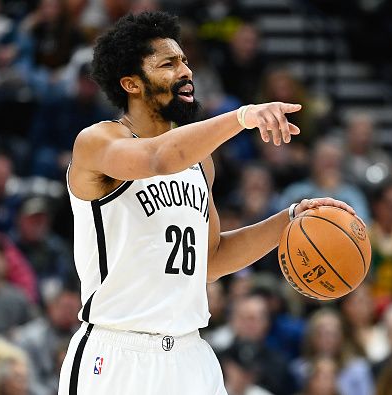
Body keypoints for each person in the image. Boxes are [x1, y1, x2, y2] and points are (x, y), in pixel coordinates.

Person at [58, 11, 360, 395]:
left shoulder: (200, 160)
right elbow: (157, 160)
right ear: (131, 83)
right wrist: (243, 117)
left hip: (189, 355)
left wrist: (289, 220)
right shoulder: (98, 142)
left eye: (185, 60)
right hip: (116, 355)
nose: (186, 71)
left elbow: (211, 261)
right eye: (169, 63)